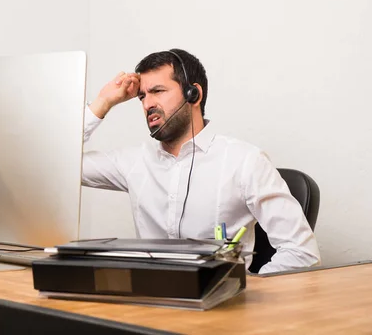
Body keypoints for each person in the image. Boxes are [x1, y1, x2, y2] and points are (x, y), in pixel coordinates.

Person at [82, 48, 320, 274]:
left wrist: (246, 289)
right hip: (153, 304)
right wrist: (103, 102)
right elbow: (55, 165)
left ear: (193, 94)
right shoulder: (133, 162)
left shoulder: (244, 161)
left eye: (158, 91)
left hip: (223, 310)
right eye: (142, 96)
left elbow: (301, 252)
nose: (147, 104)